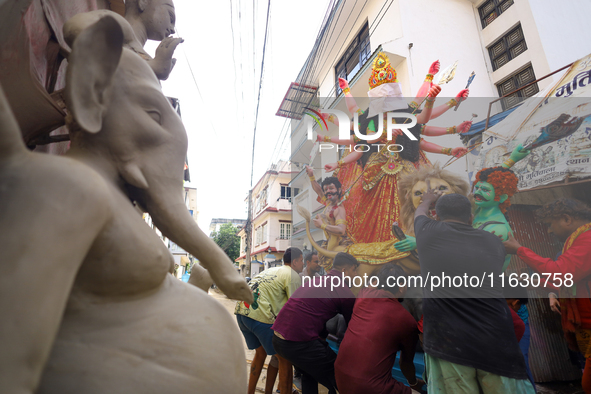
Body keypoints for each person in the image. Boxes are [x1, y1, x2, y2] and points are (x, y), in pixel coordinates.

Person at [414, 188, 534, 393]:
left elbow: (419, 214)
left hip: (448, 341)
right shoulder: (493, 242)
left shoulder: (428, 232)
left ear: (436, 216)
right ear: (471, 218)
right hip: (495, 337)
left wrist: (427, 200)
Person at [504, 198, 591, 393]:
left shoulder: (588, 239)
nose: (549, 231)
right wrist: (535, 283)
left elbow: (562, 274)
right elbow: (569, 283)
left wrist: (520, 250)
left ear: (566, 219)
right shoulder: (577, 241)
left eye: (550, 225)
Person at [271, 252, 358, 394]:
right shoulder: (345, 293)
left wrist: (322, 337)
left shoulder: (316, 281)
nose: (356, 275)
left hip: (278, 338)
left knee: (309, 372)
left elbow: (315, 314)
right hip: (297, 342)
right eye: (354, 270)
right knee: (341, 376)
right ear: (345, 271)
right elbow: (354, 328)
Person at [335, 263, 425, 394]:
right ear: (402, 286)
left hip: (340, 376)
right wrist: (414, 383)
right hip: (370, 387)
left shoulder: (363, 294)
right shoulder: (406, 320)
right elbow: (405, 364)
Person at [235, 247, 304, 394]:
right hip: (260, 316)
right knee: (284, 360)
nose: (303, 264)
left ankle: (250, 392)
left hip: (242, 311)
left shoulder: (270, 271)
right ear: (296, 261)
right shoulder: (293, 275)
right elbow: (295, 307)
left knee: (260, 354)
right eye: (302, 260)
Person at [306, 168, 353, 269]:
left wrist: (322, 225)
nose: (328, 191)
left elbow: (341, 230)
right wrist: (311, 176)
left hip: (338, 246)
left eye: (331, 188)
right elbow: (318, 190)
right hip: (329, 245)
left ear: (339, 190)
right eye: (326, 189)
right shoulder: (328, 203)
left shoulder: (339, 208)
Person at [124, 0, 183, 80]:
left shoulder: (148, 60)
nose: (172, 29)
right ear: (143, 2)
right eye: (170, 17)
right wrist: (154, 67)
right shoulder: (112, 26)